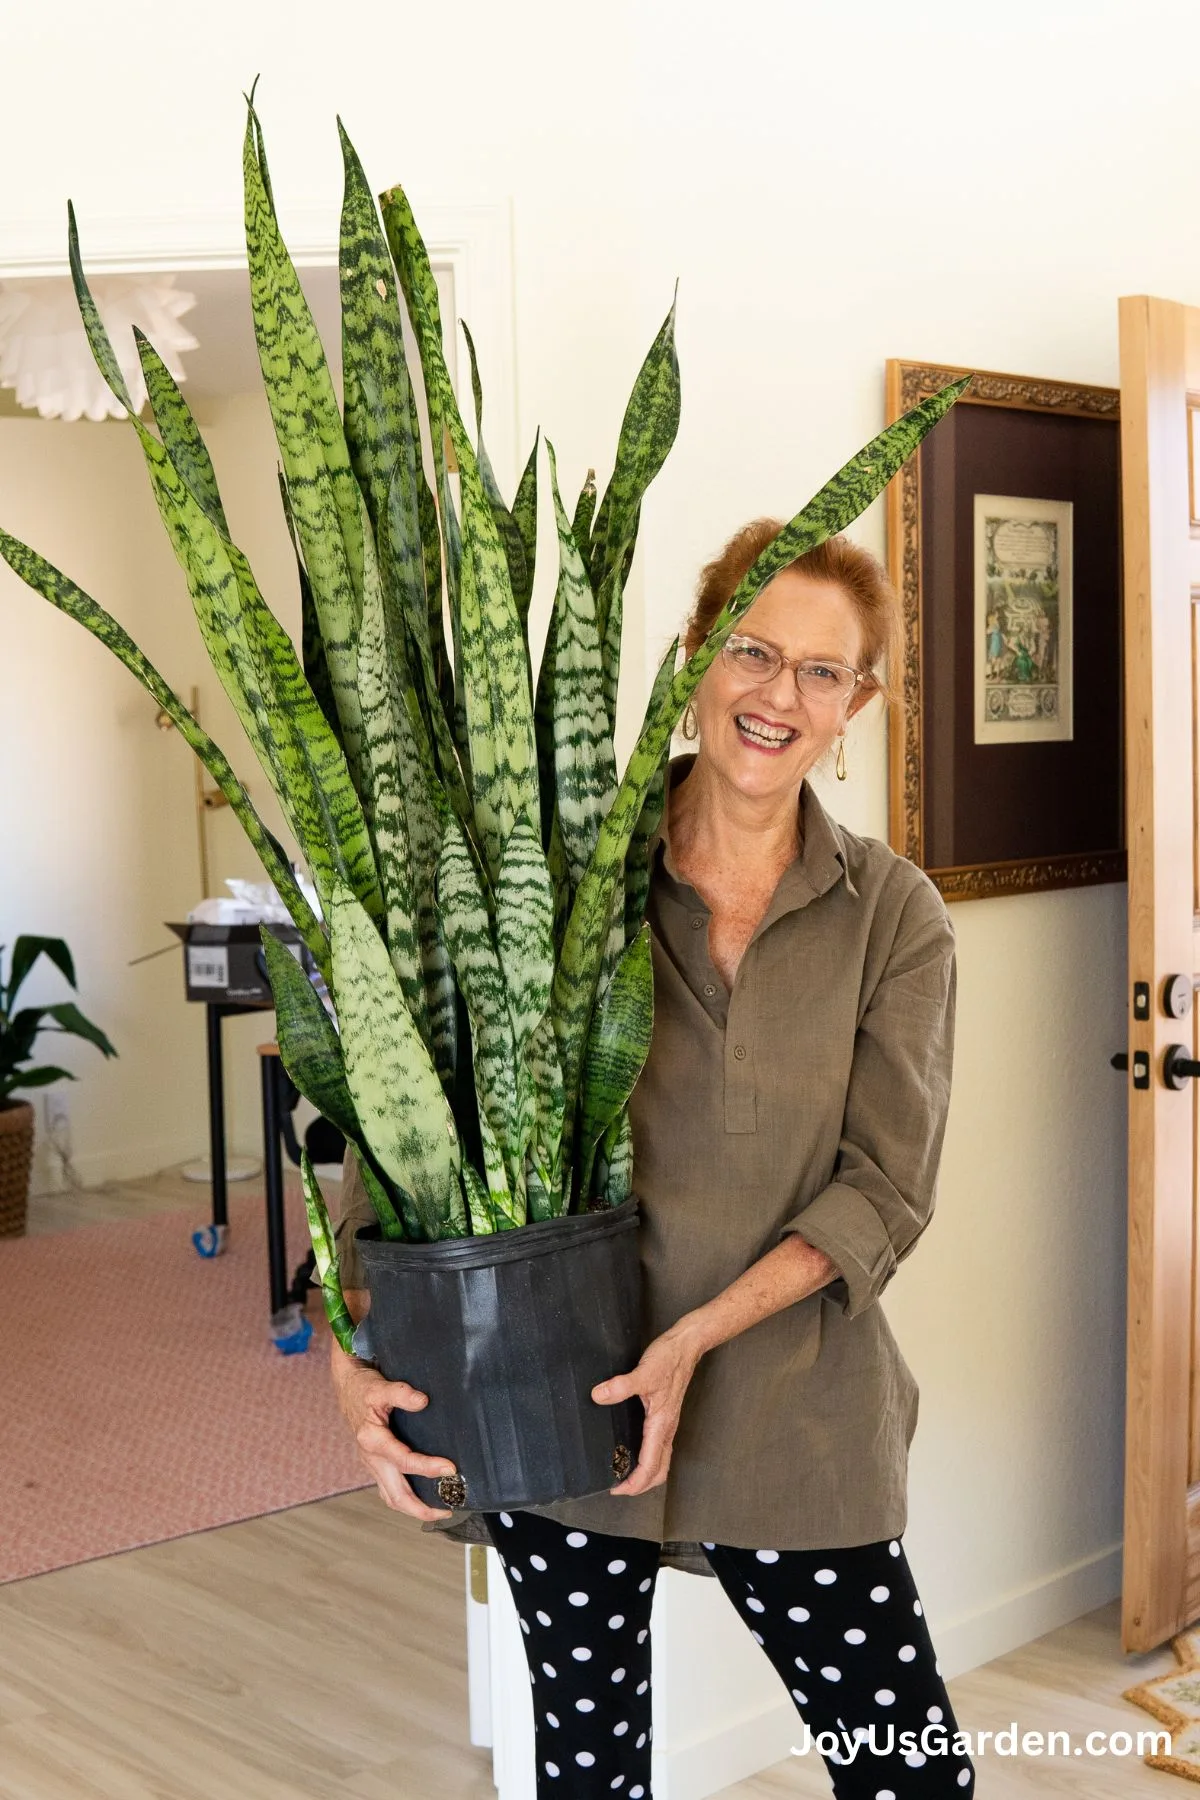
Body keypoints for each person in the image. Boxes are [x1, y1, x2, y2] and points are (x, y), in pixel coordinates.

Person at [330, 521, 975, 1798]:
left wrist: (691, 1344)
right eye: (753, 649)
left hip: (796, 1415)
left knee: (911, 1776)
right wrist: (346, 1367)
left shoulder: (894, 914)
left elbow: (887, 1187)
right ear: (695, 652)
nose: (777, 694)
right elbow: (405, 1160)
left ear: (861, 703)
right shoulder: (565, 882)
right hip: (564, 1412)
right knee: (588, 1777)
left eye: (822, 671)